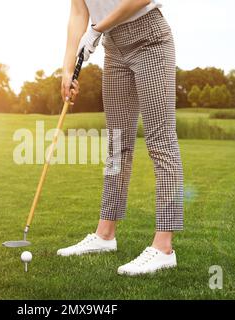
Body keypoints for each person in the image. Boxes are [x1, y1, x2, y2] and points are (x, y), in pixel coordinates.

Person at [58, 0, 184, 276]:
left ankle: (163, 248)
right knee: (117, 146)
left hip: (149, 39)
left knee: (161, 143)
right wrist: (67, 69)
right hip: (114, 48)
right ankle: (105, 235)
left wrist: (96, 29)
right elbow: (79, 11)